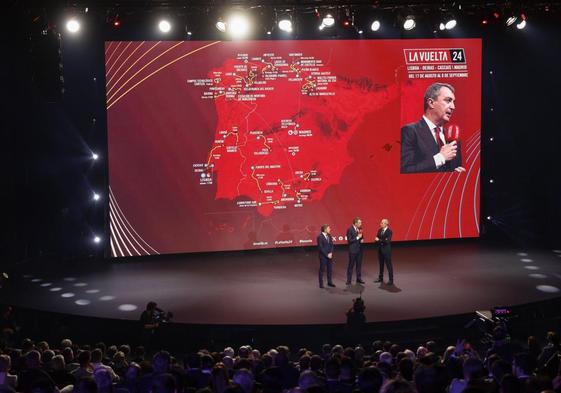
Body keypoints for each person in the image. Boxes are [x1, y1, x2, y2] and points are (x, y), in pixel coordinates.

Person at [400, 82, 465, 174]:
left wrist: (456, 174)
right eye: (448, 100)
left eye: (454, 102)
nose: (453, 107)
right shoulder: (409, 132)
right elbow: (405, 170)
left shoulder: (453, 139)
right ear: (431, 103)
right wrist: (441, 158)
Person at [374, 219, 394, 285]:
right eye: (381, 223)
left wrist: (379, 240)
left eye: (382, 223)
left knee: (389, 265)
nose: (380, 224)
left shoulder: (389, 231)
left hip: (386, 251)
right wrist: (380, 240)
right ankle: (380, 278)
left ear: (386, 224)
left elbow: (387, 241)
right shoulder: (379, 230)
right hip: (380, 250)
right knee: (381, 265)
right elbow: (376, 239)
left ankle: (391, 280)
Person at [346, 217, 365, 285]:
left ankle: (358, 279)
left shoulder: (360, 229)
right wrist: (357, 238)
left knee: (359, 265)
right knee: (351, 265)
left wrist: (362, 239)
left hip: (359, 250)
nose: (361, 224)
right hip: (353, 250)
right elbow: (349, 240)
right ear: (356, 223)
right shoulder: (350, 229)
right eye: (359, 222)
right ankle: (349, 280)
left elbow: (361, 237)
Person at [317, 224, 336, 288]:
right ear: (325, 229)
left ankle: (329, 282)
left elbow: (331, 245)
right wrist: (327, 254)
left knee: (329, 269)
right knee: (322, 269)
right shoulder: (320, 237)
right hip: (323, 256)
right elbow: (320, 248)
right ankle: (321, 284)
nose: (330, 229)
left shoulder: (329, 236)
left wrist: (331, 253)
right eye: (328, 228)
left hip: (330, 255)